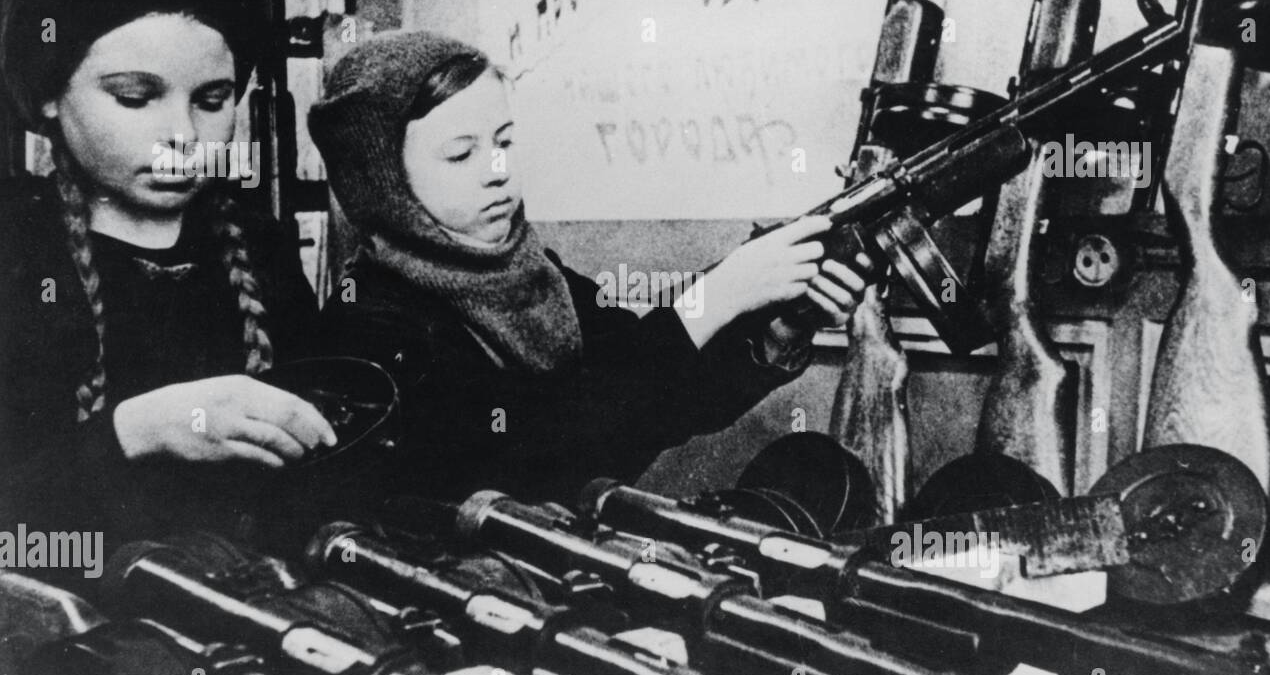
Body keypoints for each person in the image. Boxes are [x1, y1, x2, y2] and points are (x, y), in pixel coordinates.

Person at [308, 31, 872, 509]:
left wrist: (779, 328)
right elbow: (542, 456)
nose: (498, 171)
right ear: (381, 182)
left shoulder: (532, 272)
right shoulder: (369, 322)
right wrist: (721, 294)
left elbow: (662, 397)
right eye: (461, 154)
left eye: (505, 141)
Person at [0, 0, 336, 576]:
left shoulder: (257, 246)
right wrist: (137, 432)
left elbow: (323, 473)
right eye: (135, 97)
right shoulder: (14, 254)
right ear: (47, 98)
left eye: (212, 99)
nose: (181, 134)